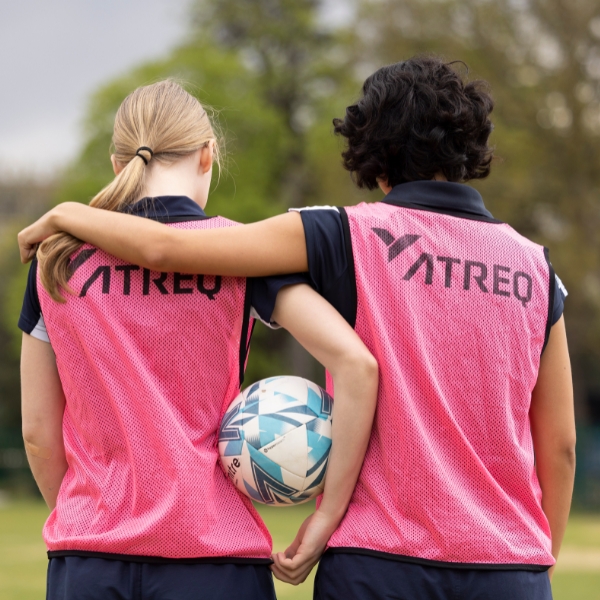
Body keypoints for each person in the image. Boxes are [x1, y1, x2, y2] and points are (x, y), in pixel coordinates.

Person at [19, 57, 576, 600]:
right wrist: (537, 562)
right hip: (507, 565)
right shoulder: (536, 267)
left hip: (372, 560)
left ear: (370, 156)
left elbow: (165, 249)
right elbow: (562, 445)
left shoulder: (341, 233)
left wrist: (68, 216)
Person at [18, 80, 379, 600]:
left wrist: (89, 521)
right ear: (207, 155)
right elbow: (354, 363)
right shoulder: (241, 254)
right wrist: (327, 513)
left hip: (89, 554)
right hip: (215, 557)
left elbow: (37, 431)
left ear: (119, 165)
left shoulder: (56, 262)